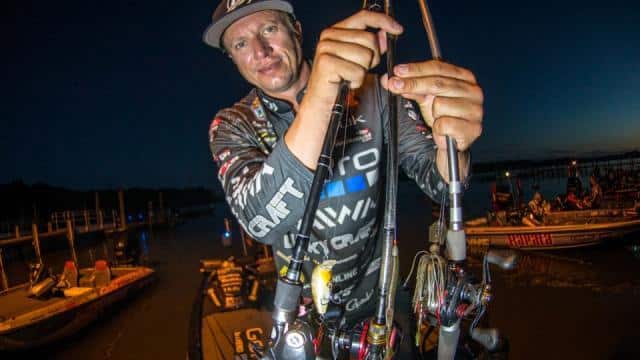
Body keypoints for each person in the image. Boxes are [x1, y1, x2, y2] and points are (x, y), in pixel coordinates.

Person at [203, 0, 483, 350]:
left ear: (296, 30)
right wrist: (321, 95)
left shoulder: (378, 93)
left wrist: (454, 145)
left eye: (269, 29)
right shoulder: (232, 125)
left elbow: (441, 187)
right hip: (305, 321)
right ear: (232, 57)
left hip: (385, 303)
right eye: (241, 44)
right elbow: (259, 222)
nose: (260, 51)